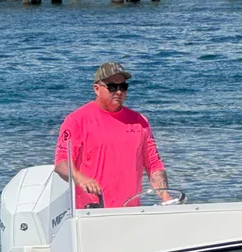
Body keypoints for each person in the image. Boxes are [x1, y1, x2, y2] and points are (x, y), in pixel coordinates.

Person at [54, 61, 171, 209]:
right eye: (112, 87)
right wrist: (80, 178)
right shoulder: (76, 121)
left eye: (123, 87)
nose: (119, 92)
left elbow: (153, 162)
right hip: (91, 210)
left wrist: (165, 195)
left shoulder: (140, 122)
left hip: (130, 209)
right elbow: (61, 163)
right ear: (97, 89)